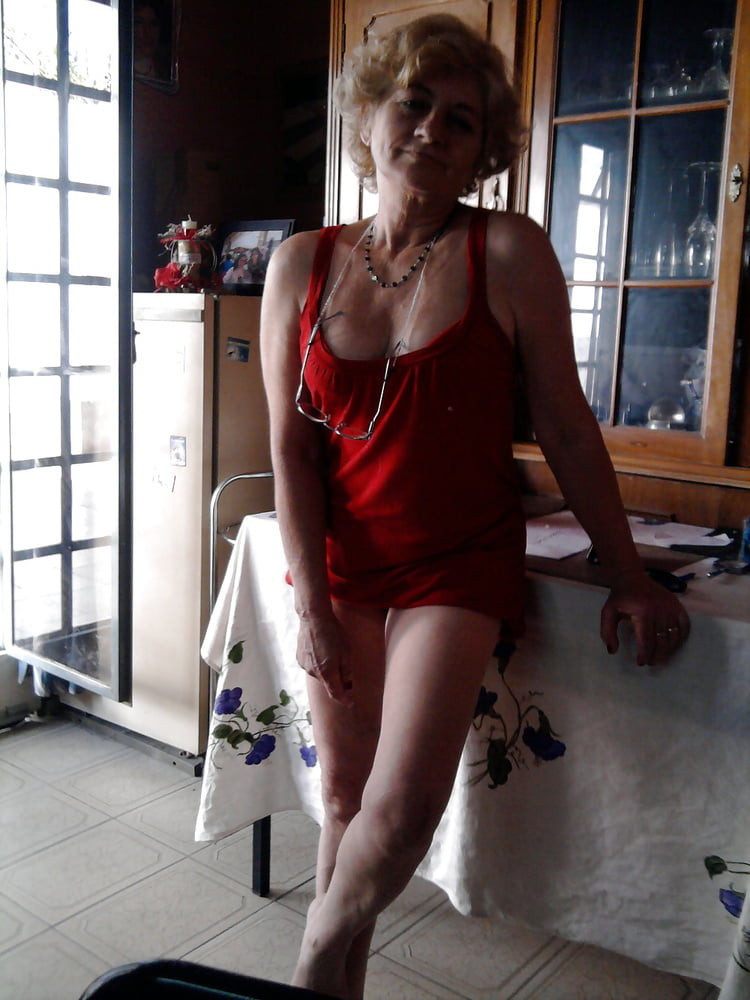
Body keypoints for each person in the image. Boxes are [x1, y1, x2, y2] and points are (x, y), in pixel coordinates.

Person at [259, 14, 690, 999]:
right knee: (343, 799)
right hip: (343, 561)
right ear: (368, 116)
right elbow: (290, 449)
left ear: (483, 149)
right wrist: (312, 603)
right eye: (413, 103)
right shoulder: (299, 265)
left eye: (460, 119)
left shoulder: (509, 250)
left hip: (457, 561)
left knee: (402, 810)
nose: (432, 129)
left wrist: (628, 573)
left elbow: (567, 429)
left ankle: (309, 965)